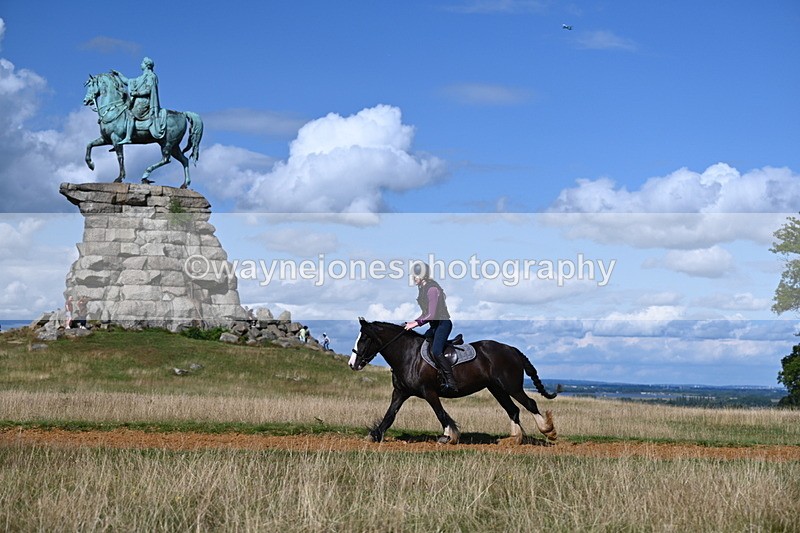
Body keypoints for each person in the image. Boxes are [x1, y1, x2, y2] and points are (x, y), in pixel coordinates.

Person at [404, 261, 458, 392]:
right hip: (434, 326)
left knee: (436, 351)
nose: (413, 278)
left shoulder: (432, 289)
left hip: (443, 324)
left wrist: (416, 323)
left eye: (415, 275)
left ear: (422, 275)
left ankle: (451, 383)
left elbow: (432, 314)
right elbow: (425, 313)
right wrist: (413, 322)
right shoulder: (422, 289)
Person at [110, 57, 165, 144]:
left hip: (143, 102)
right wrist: (119, 74)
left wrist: (136, 93)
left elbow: (149, 90)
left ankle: (128, 137)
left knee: (129, 114)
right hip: (137, 101)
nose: (141, 64)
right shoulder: (141, 78)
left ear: (146, 65)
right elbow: (128, 81)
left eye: (142, 63)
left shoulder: (151, 76)